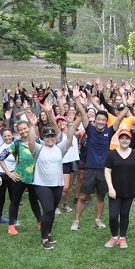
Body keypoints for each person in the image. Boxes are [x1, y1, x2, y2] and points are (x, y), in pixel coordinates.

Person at [70, 85, 128, 231]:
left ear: (106, 122)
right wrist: (76, 98)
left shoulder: (109, 131)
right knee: (83, 196)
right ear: (95, 120)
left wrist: (128, 104)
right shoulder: (90, 129)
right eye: (99, 119)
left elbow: (120, 117)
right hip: (90, 169)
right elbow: (83, 114)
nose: (101, 122)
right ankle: (76, 221)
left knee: (101, 196)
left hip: (104, 170)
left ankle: (98, 220)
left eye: (103, 120)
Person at [31, 104, 77, 250]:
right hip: (42, 184)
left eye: (52, 136)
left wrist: (70, 124)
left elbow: (69, 139)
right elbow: (31, 142)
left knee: (51, 210)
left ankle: (48, 232)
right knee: (48, 209)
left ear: (55, 137)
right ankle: (44, 238)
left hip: (57, 184)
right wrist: (33, 126)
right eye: (47, 136)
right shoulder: (38, 149)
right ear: (43, 137)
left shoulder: (59, 148)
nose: (50, 138)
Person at [104, 129, 135, 249]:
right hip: (115, 191)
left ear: (130, 140)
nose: (124, 140)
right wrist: (110, 187)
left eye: (127, 138)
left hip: (129, 189)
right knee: (113, 216)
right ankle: (114, 236)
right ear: (119, 139)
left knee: (125, 214)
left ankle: (122, 237)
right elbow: (107, 171)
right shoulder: (112, 154)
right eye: (122, 138)